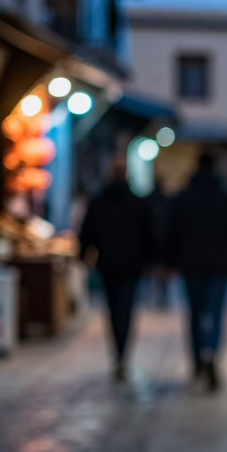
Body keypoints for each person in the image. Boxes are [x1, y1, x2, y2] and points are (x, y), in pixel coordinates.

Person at [168, 152, 227, 391]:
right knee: (216, 312)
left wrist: (169, 261)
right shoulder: (226, 196)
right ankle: (211, 351)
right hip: (219, 264)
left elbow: (173, 231)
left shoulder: (184, 197)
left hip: (191, 264)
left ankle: (197, 361)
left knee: (194, 314)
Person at [79, 162, 152, 382]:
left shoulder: (99, 202)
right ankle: (122, 353)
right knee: (126, 309)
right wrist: (150, 260)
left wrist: (84, 254)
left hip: (108, 264)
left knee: (113, 310)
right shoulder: (137, 202)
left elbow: (87, 232)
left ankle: (118, 353)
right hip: (131, 265)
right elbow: (148, 234)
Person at [146, 176, 175, 309]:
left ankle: (154, 296)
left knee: (154, 272)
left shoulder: (148, 201)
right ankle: (162, 296)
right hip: (164, 243)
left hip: (152, 243)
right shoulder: (167, 202)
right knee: (162, 272)